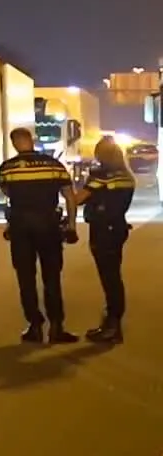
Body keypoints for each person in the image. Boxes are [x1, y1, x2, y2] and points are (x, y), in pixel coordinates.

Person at [0, 126, 80, 344]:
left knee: (25, 278)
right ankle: (56, 327)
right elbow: (69, 197)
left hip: (20, 227)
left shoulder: (7, 168)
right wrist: (71, 225)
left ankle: (34, 326)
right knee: (52, 277)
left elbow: (8, 194)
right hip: (49, 225)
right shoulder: (53, 165)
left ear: (15, 143)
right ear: (32, 140)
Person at [73, 136, 137, 343]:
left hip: (103, 231)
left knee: (110, 279)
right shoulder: (127, 176)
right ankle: (112, 323)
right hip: (118, 227)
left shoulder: (101, 176)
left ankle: (112, 326)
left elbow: (78, 199)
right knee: (113, 277)